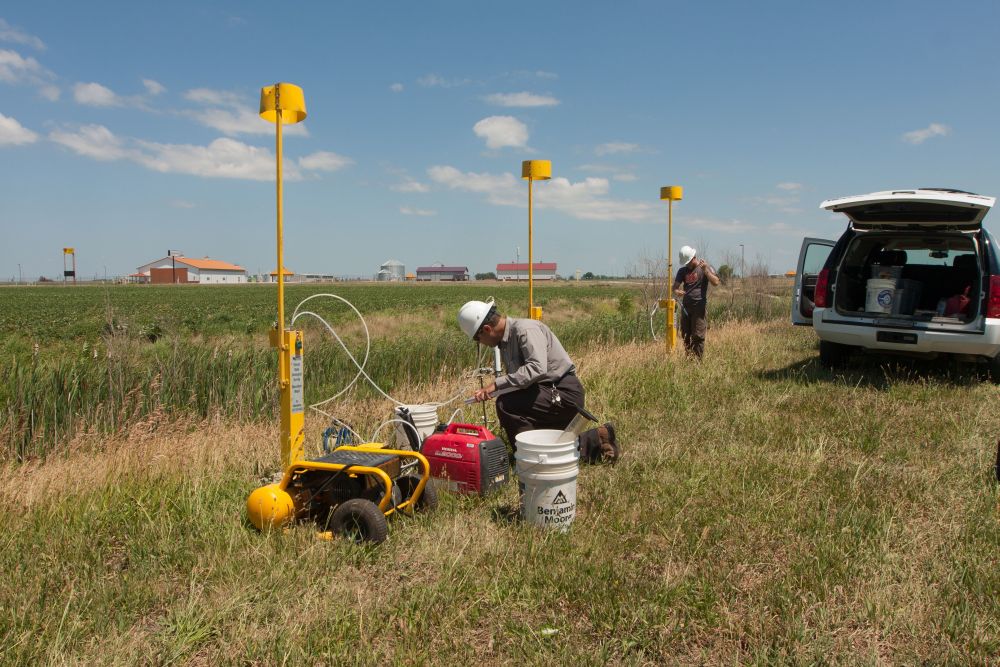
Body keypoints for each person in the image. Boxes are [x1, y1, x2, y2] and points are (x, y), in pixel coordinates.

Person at [456, 300, 619, 464]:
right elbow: (522, 380)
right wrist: (496, 390)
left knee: (506, 405)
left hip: (563, 393)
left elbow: (536, 368)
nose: (481, 343)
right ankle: (597, 439)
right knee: (551, 439)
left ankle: (530, 459)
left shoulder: (525, 330)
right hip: (546, 395)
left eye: (478, 339)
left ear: (487, 329)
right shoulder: (505, 343)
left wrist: (496, 385)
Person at [672, 245, 720, 359]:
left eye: (688, 262)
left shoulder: (704, 267)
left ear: (694, 257)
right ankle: (689, 359)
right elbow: (674, 287)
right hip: (686, 307)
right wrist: (677, 291)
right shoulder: (682, 271)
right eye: (685, 263)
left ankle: (697, 362)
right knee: (685, 335)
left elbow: (716, 282)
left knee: (697, 335)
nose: (687, 265)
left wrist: (706, 271)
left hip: (699, 307)